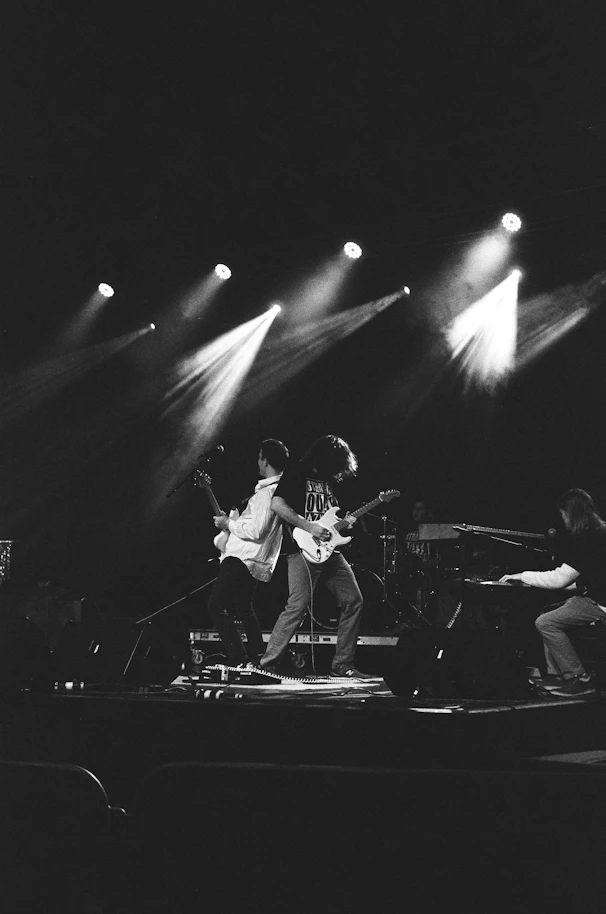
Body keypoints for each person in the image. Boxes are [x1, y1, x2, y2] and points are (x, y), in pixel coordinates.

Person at [259, 434, 375, 680]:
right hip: (301, 549)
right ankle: (267, 665)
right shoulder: (297, 472)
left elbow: (329, 518)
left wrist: (344, 525)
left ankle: (343, 665)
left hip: (331, 552)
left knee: (354, 600)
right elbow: (278, 505)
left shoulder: (330, 481)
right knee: (297, 606)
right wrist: (309, 527)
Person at [500, 488, 606, 697]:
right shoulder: (599, 532)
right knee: (545, 614)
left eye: (563, 515)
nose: (563, 520)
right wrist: (535, 583)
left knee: (545, 623)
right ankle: (558, 675)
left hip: (601, 603)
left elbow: (560, 579)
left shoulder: (589, 538)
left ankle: (578, 678)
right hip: (596, 596)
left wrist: (523, 576)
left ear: (570, 512)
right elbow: (588, 581)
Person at [207, 438, 289, 667]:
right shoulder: (274, 490)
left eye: (259, 457)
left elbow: (257, 530)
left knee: (215, 606)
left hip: (243, 557)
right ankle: (256, 659)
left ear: (265, 460)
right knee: (244, 608)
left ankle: (239, 659)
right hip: (254, 559)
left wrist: (229, 524)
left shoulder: (267, 493)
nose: (257, 462)